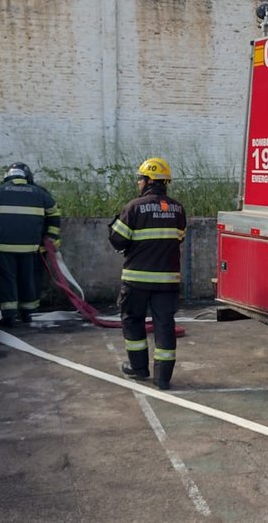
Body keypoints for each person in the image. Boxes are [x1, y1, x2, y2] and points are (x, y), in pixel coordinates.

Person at [109, 157, 186, 389]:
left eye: (140, 179)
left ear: (149, 180)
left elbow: (118, 240)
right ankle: (163, 377)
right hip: (167, 281)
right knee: (164, 325)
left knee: (133, 321)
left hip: (136, 280)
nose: (138, 183)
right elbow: (179, 238)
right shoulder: (177, 209)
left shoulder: (133, 208)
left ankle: (139, 368)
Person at [0, 162, 61, 326]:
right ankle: (27, 313)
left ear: (7, 176)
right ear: (27, 177)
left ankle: (9, 316)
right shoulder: (39, 193)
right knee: (28, 279)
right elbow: (55, 213)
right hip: (30, 247)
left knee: (7, 280)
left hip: (4, 247)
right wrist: (51, 236)